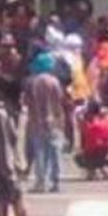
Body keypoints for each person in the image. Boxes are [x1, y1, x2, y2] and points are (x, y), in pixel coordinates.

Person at [24, 51, 64, 193]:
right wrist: (60, 119)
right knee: (55, 151)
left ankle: (40, 182)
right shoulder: (54, 81)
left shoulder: (32, 82)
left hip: (36, 120)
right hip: (53, 119)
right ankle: (56, 181)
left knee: (39, 152)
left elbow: (27, 102)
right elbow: (59, 101)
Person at [75, 102, 108, 180]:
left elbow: (80, 124)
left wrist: (79, 116)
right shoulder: (106, 121)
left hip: (92, 152)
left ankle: (92, 171)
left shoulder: (88, 125)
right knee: (101, 153)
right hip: (105, 152)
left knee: (78, 156)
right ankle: (103, 169)